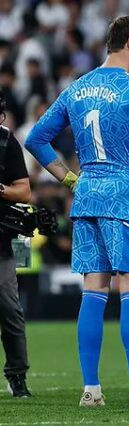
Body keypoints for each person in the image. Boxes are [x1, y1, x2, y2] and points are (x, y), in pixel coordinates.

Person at [24, 16, 129, 407]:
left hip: (86, 195)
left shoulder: (78, 87)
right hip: (125, 194)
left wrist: (69, 180)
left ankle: (91, 390)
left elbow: (36, 138)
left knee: (93, 292)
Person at [0, 96, 32, 398]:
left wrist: (0, 189)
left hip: (1, 242)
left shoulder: (7, 144)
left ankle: (17, 375)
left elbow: (25, 191)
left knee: (9, 309)